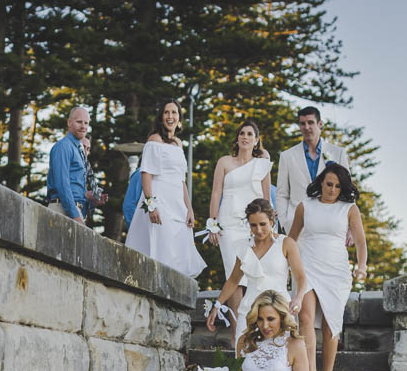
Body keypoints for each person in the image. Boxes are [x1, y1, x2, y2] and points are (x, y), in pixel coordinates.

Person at [289, 163, 368, 371]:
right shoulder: (305, 206)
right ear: (321, 182)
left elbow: (362, 243)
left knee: (330, 325)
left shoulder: (349, 209)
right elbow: (291, 239)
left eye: (337, 186)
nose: (332, 189)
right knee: (305, 318)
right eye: (329, 184)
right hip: (307, 265)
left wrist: (362, 266)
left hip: (336, 271)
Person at [125, 100, 206, 278]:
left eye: (174, 113)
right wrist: (151, 205)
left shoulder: (178, 143)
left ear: (179, 118)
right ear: (161, 117)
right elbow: (146, 174)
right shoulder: (154, 140)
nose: (170, 116)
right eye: (167, 112)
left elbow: (181, 180)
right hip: (160, 200)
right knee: (163, 244)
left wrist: (189, 209)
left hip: (177, 202)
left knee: (178, 248)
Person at [205, 199, 306, 342]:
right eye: (253, 225)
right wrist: (217, 306)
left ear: (272, 221)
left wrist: (299, 298)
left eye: (262, 224)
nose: (258, 230)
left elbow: (301, 277)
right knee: (244, 359)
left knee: (279, 359)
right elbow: (234, 280)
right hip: (249, 310)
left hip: (279, 308)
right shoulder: (244, 247)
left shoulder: (286, 243)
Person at [207, 120, 273, 280]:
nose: (245, 137)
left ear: (256, 140)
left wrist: (270, 226)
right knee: (233, 273)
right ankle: (235, 306)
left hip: (254, 224)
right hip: (229, 223)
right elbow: (216, 193)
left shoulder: (262, 165)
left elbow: (266, 197)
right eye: (242, 133)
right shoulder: (224, 162)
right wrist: (212, 224)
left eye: (250, 134)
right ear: (237, 138)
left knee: (256, 272)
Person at [276, 106, 350, 236]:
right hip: (296, 227)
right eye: (302, 123)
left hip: (330, 226)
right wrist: (284, 222)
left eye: (310, 122)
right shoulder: (287, 156)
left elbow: (347, 190)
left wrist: (349, 226)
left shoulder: (338, 153)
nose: (306, 127)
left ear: (320, 124)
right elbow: (282, 193)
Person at [47, 107, 90, 223]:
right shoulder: (63, 147)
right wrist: (75, 215)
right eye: (79, 122)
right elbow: (62, 184)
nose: (83, 126)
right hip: (62, 209)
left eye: (86, 123)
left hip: (73, 210)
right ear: (69, 122)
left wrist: (90, 199)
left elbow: (75, 189)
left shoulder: (78, 151)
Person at [79, 135, 109, 220]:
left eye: (88, 149)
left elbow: (80, 200)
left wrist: (93, 202)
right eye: (82, 147)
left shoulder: (84, 169)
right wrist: (86, 195)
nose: (85, 152)